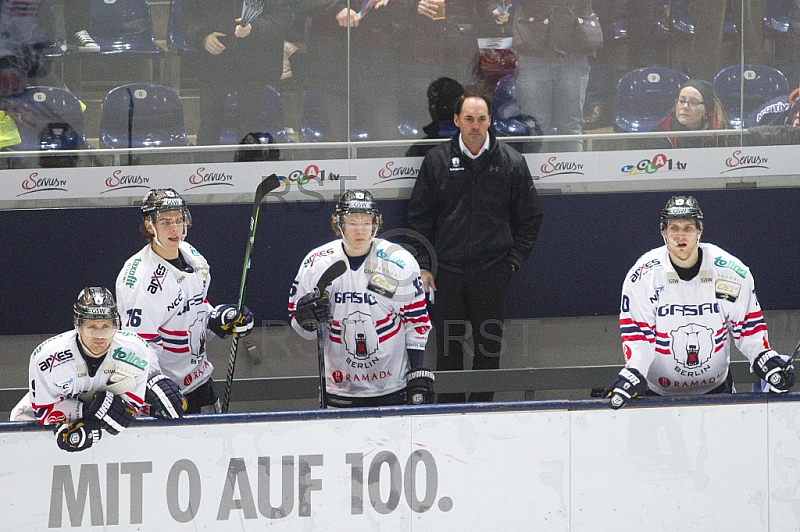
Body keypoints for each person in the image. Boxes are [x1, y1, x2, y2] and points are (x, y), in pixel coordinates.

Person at [406, 92, 543, 402]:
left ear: (490, 121)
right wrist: (425, 266)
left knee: (488, 350)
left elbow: (531, 217)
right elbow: (419, 218)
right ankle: (449, 413)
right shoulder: (437, 161)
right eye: (468, 119)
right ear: (456, 121)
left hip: (492, 273)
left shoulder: (511, 161)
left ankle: (483, 414)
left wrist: (513, 259)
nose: (475, 126)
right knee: (449, 351)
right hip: (447, 275)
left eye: (481, 119)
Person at [605, 196, 795, 409]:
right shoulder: (641, 276)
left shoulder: (731, 272)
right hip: (655, 393)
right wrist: (634, 371)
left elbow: (748, 329)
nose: (680, 235)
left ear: (699, 232)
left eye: (688, 227)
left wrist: (764, 358)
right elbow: (639, 336)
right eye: (673, 227)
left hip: (717, 390)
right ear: (664, 232)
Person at [288, 190, 435, 408]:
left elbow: (416, 321)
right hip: (339, 386)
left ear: (376, 224)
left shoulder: (399, 261)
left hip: (393, 385)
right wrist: (306, 320)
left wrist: (416, 371)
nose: (360, 230)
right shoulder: (316, 263)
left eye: (366, 223)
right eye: (352, 222)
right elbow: (302, 327)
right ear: (339, 224)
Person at [116, 188, 254, 413]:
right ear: (150, 225)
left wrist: (218, 318)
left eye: (179, 220)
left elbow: (196, 307)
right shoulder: (139, 279)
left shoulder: (192, 255)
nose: (174, 228)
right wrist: (152, 381)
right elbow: (136, 344)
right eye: (165, 221)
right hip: (165, 393)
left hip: (200, 380)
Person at [10, 287, 186, 452]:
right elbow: (43, 409)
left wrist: (150, 382)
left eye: (106, 326)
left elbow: (128, 408)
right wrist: (86, 413)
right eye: (92, 326)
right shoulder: (46, 358)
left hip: (104, 438)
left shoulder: (137, 350)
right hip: (34, 429)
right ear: (78, 326)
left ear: (116, 325)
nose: (100, 335)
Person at [180, 0, 293, 145]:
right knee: (209, 127)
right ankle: (204, 166)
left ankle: (247, 167)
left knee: (249, 129)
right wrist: (203, 36)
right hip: (214, 65)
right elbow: (187, 17)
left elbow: (282, 18)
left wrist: (254, 28)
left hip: (255, 66)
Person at [492, 0, 601, 151]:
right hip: (533, 52)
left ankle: (573, 174)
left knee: (570, 128)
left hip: (573, 51)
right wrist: (495, 8)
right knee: (536, 127)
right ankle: (538, 175)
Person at [642, 79, 730, 149]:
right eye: (682, 101)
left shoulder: (723, 130)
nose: (685, 106)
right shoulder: (661, 132)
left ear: (707, 109)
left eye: (693, 102)